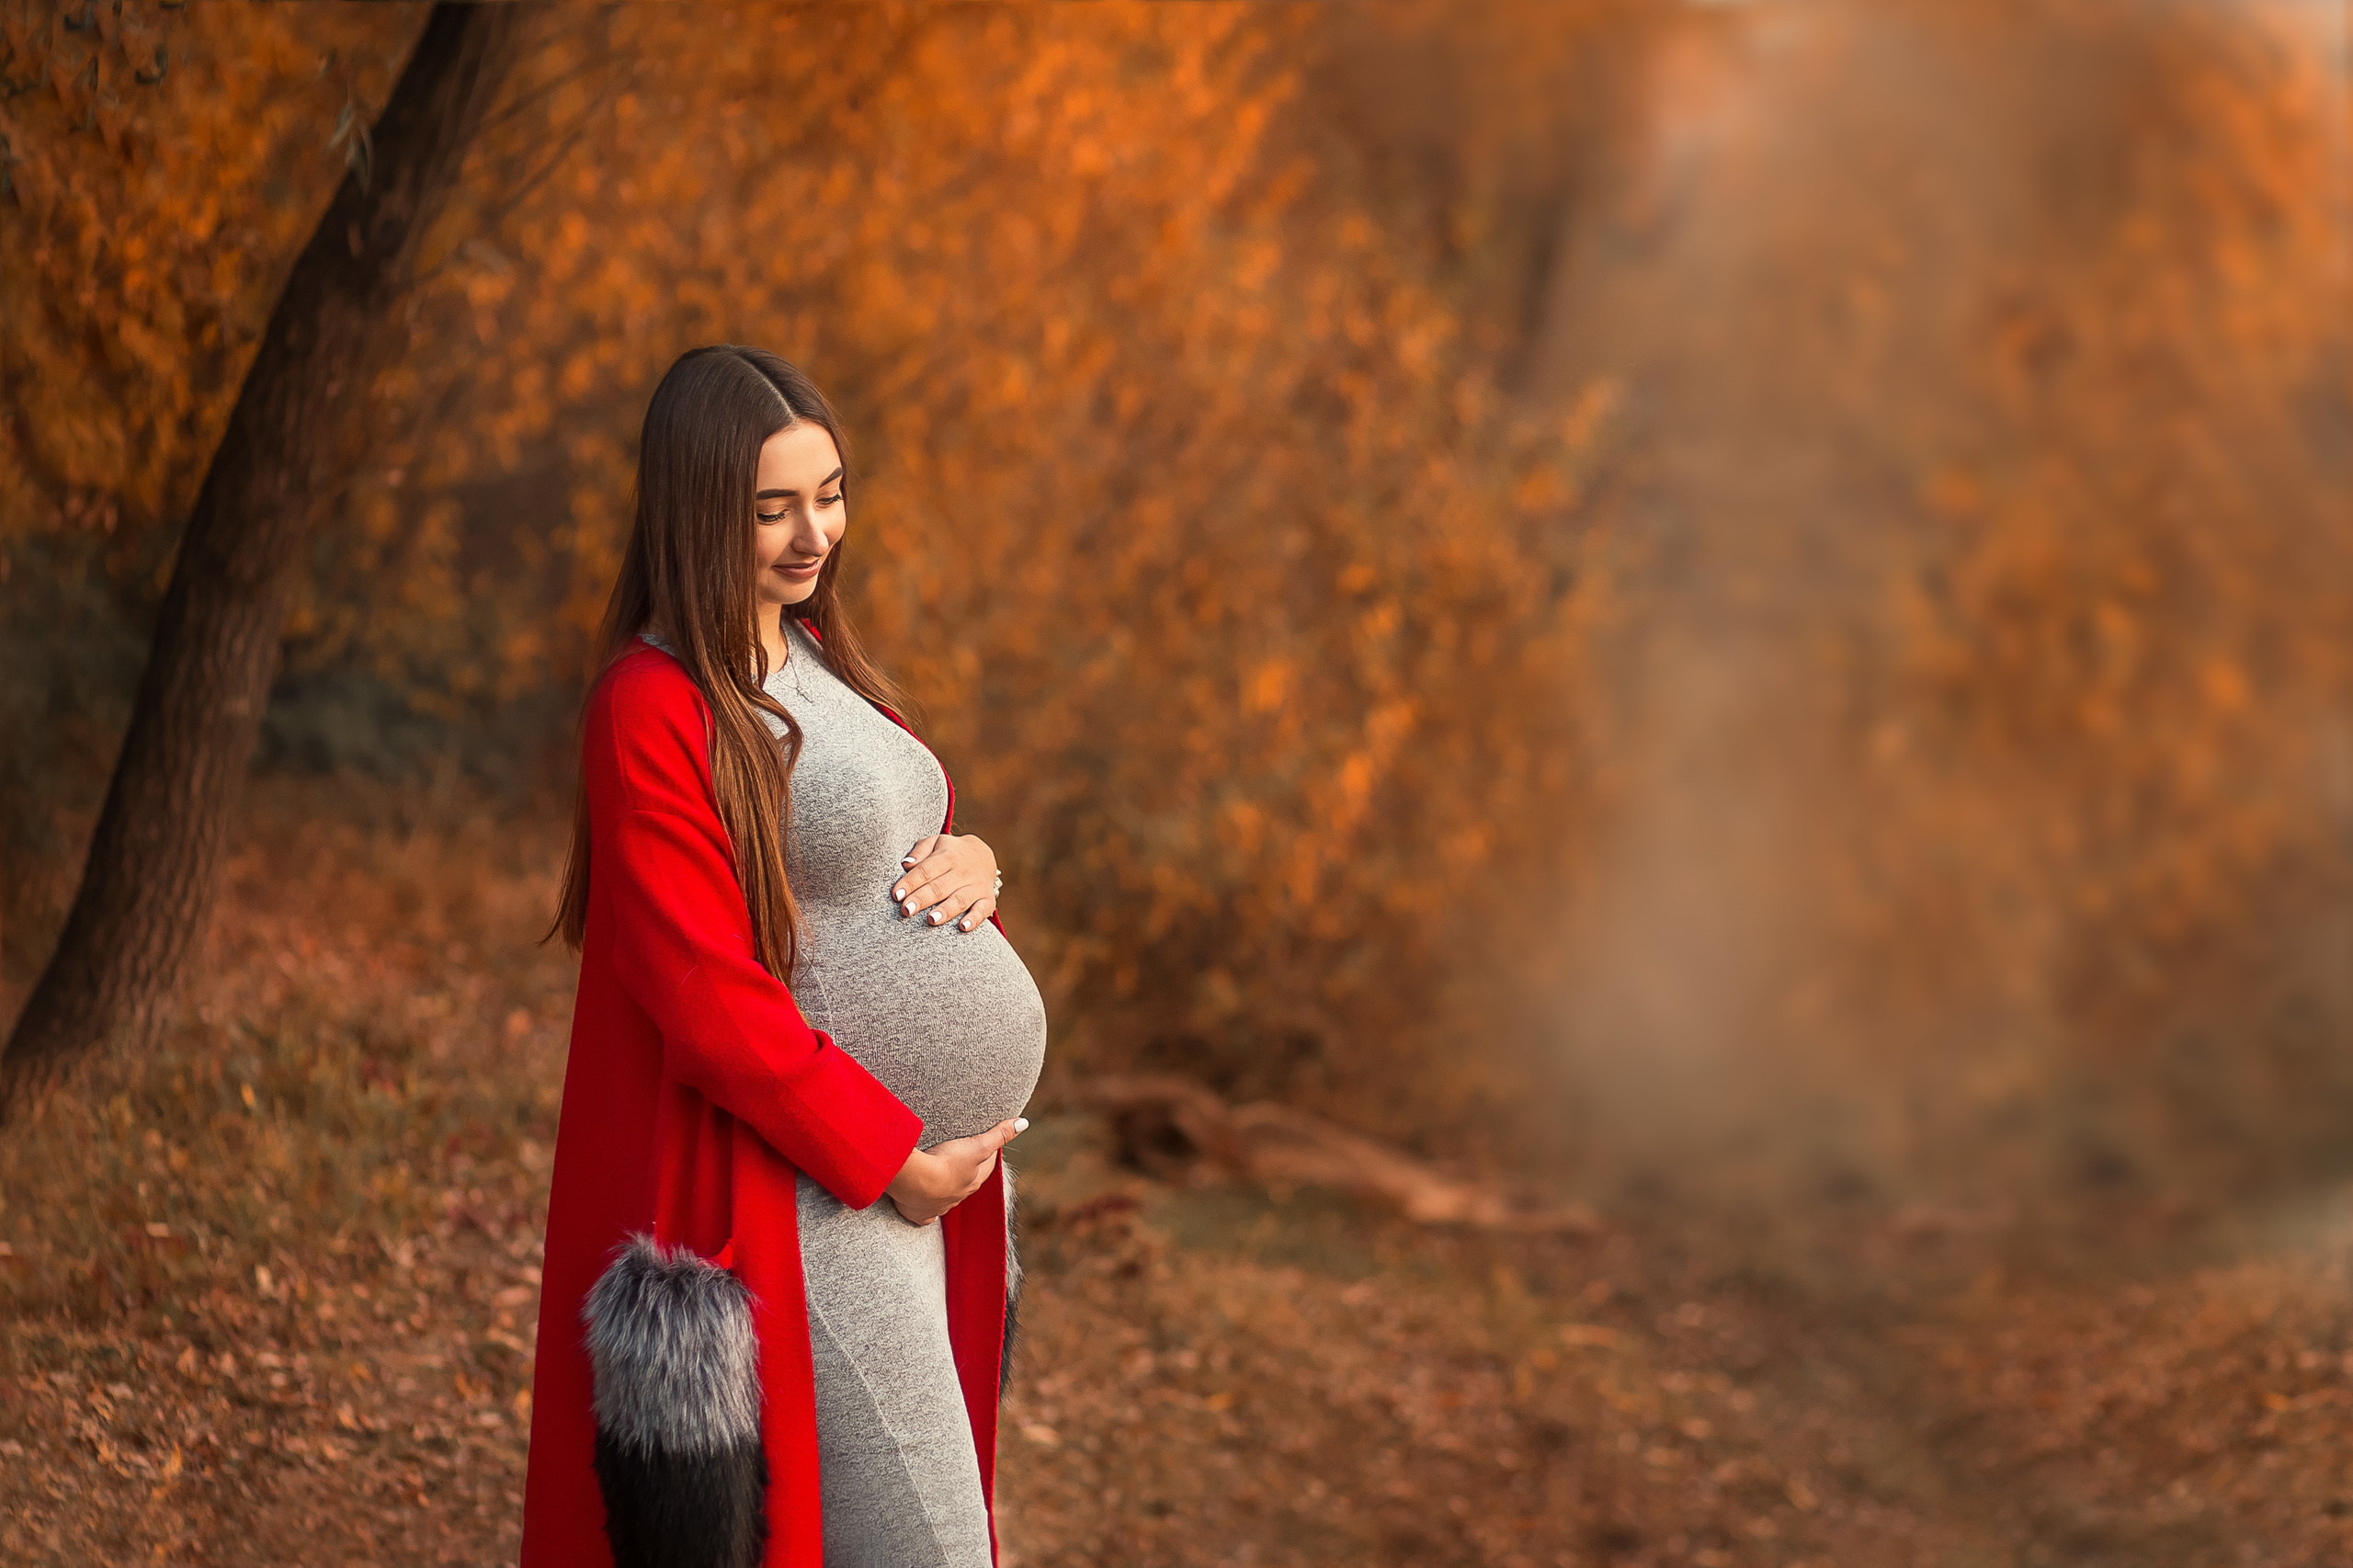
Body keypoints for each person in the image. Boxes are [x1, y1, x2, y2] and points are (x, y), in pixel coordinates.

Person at [521, 345, 1047, 1568]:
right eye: (773, 509)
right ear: (700, 509)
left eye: (831, 491)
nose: (816, 532)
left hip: (923, 1191)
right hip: (818, 1199)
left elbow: (881, 883)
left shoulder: (819, 657)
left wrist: (979, 868)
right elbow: (705, 996)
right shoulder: (652, 704)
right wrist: (889, 1162)